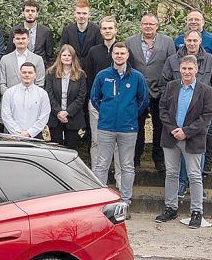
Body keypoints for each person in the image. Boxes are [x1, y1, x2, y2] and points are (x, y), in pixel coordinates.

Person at [161, 29, 212, 194]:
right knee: (179, 153)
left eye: (195, 41)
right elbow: (164, 85)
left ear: (200, 41)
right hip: (178, 117)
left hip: (201, 117)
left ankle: (196, 185)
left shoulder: (211, 61)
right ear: (184, 41)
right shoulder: (173, 60)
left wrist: (210, 107)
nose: (191, 43)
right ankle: (182, 183)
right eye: (188, 40)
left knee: (198, 151)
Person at [154, 55, 212, 229]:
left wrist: (186, 132)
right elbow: (163, 109)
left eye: (190, 68)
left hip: (192, 139)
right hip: (171, 137)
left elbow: (206, 117)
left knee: (194, 175)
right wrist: (173, 128)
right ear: (179, 69)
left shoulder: (206, 91)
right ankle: (171, 208)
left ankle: (196, 212)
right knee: (171, 174)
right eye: (184, 68)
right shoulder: (171, 86)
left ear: (196, 70)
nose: (187, 72)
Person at [89, 42, 149, 210]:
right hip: (106, 127)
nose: (119, 56)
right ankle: (99, 201)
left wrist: (129, 114)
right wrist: (106, 113)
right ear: (112, 55)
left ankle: (125, 202)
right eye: (117, 53)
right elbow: (95, 98)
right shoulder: (103, 75)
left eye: (122, 53)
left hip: (128, 129)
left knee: (127, 166)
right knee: (101, 164)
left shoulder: (137, 77)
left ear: (127, 55)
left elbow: (143, 100)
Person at [126, 13, 177, 170]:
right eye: (145, 24)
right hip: (137, 92)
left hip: (160, 92)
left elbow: (172, 66)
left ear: (157, 26)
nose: (148, 26)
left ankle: (159, 158)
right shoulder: (130, 41)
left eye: (151, 24)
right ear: (140, 25)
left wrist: (166, 88)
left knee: (160, 126)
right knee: (137, 126)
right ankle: (135, 157)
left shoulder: (167, 42)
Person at [85, 16, 119, 165]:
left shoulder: (122, 50)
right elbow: (90, 78)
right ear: (100, 31)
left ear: (116, 30)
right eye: (104, 28)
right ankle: (96, 177)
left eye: (110, 28)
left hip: (118, 105)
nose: (107, 31)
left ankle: (120, 180)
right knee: (96, 140)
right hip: (97, 104)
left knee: (118, 144)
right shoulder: (93, 51)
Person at [44, 45, 87, 149]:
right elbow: (49, 94)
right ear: (60, 56)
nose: (67, 57)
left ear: (73, 57)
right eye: (64, 55)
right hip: (55, 117)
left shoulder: (80, 75)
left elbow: (81, 97)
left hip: (73, 118)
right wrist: (59, 112)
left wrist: (67, 112)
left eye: (69, 55)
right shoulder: (51, 73)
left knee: (71, 149)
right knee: (55, 149)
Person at [1, 62, 51, 138]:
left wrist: (29, 133)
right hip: (13, 136)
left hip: (36, 136)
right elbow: (6, 115)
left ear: (35, 75)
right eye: (24, 72)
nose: (27, 75)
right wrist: (18, 133)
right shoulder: (9, 93)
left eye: (30, 73)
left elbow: (44, 116)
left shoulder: (42, 94)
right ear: (20, 74)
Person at [0, 27, 46, 97]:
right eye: (18, 39)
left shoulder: (38, 59)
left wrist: (28, 97)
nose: (20, 41)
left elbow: (40, 83)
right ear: (13, 40)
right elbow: (1, 83)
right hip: (9, 101)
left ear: (28, 40)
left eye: (23, 38)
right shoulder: (5, 59)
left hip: (31, 101)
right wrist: (11, 96)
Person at [60, 0, 103, 68]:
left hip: (91, 68)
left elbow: (98, 52)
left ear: (89, 15)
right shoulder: (67, 30)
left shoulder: (96, 30)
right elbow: (63, 50)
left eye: (84, 13)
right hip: (72, 68)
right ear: (74, 14)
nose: (81, 16)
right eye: (79, 13)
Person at [14, 0, 55, 67]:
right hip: (19, 69)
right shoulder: (15, 30)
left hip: (40, 70)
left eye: (33, 11)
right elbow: (10, 52)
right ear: (23, 13)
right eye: (27, 11)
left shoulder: (46, 31)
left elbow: (50, 56)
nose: (30, 13)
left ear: (37, 14)